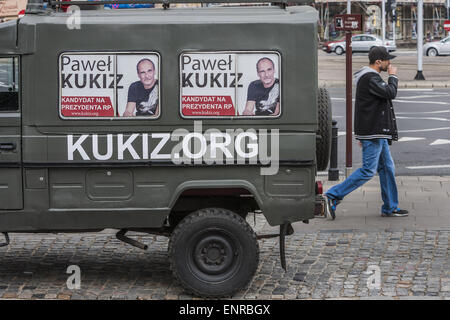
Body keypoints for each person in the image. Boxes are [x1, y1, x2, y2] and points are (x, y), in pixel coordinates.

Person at [325, 46, 408, 219]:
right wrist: (393, 76)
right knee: (368, 170)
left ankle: (390, 207)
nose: (389, 63)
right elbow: (390, 93)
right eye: (387, 60)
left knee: (387, 168)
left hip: (377, 132)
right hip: (374, 132)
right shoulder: (370, 78)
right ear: (379, 62)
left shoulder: (372, 78)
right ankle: (332, 195)